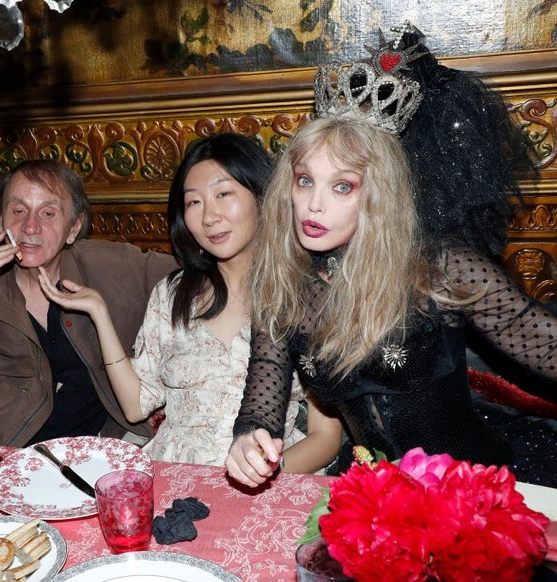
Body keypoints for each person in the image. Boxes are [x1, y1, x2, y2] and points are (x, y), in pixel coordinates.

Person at [225, 25, 557, 488]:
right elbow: (263, 392)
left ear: (379, 197)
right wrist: (249, 437)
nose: (313, 204)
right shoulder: (283, 284)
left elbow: (546, 344)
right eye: (305, 181)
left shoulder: (438, 267)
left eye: (342, 186)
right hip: (368, 500)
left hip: (471, 492)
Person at [38, 133, 344, 470]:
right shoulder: (173, 293)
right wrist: (100, 314)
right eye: (194, 202)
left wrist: (263, 471)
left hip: (267, 477)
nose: (209, 216)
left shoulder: (303, 294)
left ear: (262, 196)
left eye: (223, 194)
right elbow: (136, 405)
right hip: (175, 471)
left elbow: (325, 438)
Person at [0, 159, 178, 446]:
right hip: (4, 453)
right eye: (18, 211)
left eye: (48, 213)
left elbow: (196, 275)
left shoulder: (113, 268)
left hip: (100, 446)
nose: (30, 227)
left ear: (74, 227)